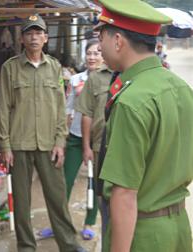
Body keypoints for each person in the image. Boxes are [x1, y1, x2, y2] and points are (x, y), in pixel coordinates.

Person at [94, 0, 193, 251]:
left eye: (101, 36)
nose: (98, 46)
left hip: (142, 234)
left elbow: (125, 194)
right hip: (179, 226)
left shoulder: (131, 100)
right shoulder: (181, 88)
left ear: (118, 40)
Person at [0, 14, 84, 252]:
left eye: (38, 33)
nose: (34, 37)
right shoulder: (10, 68)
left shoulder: (54, 67)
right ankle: (26, 246)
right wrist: (4, 145)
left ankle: (68, 243)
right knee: (22, 201)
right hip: (19, 143)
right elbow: (3, 107)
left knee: (57, 196)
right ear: (22, 38)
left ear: (45, 37)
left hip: (49, 143)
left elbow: (60, 108)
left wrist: (60, 141)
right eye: (29, 33)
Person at [63, 39, 103, 240]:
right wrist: (63, 135)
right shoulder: (75, 79)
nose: (92, 57)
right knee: (65, 180)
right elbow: (68, 109)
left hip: (99, 141)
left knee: (95, 183)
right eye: (89, 53)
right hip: (76, 137)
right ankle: (61, 223)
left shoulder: (112, 79)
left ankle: (89, 222)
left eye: (97, 53)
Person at [74, 62, 113, 244]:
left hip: (129, 147)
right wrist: (86, 146)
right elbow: (87, 114)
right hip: (100, 148)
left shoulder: (133, 73)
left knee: (124, 197)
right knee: (103, 197)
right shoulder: (95, 78)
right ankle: (106, 241)